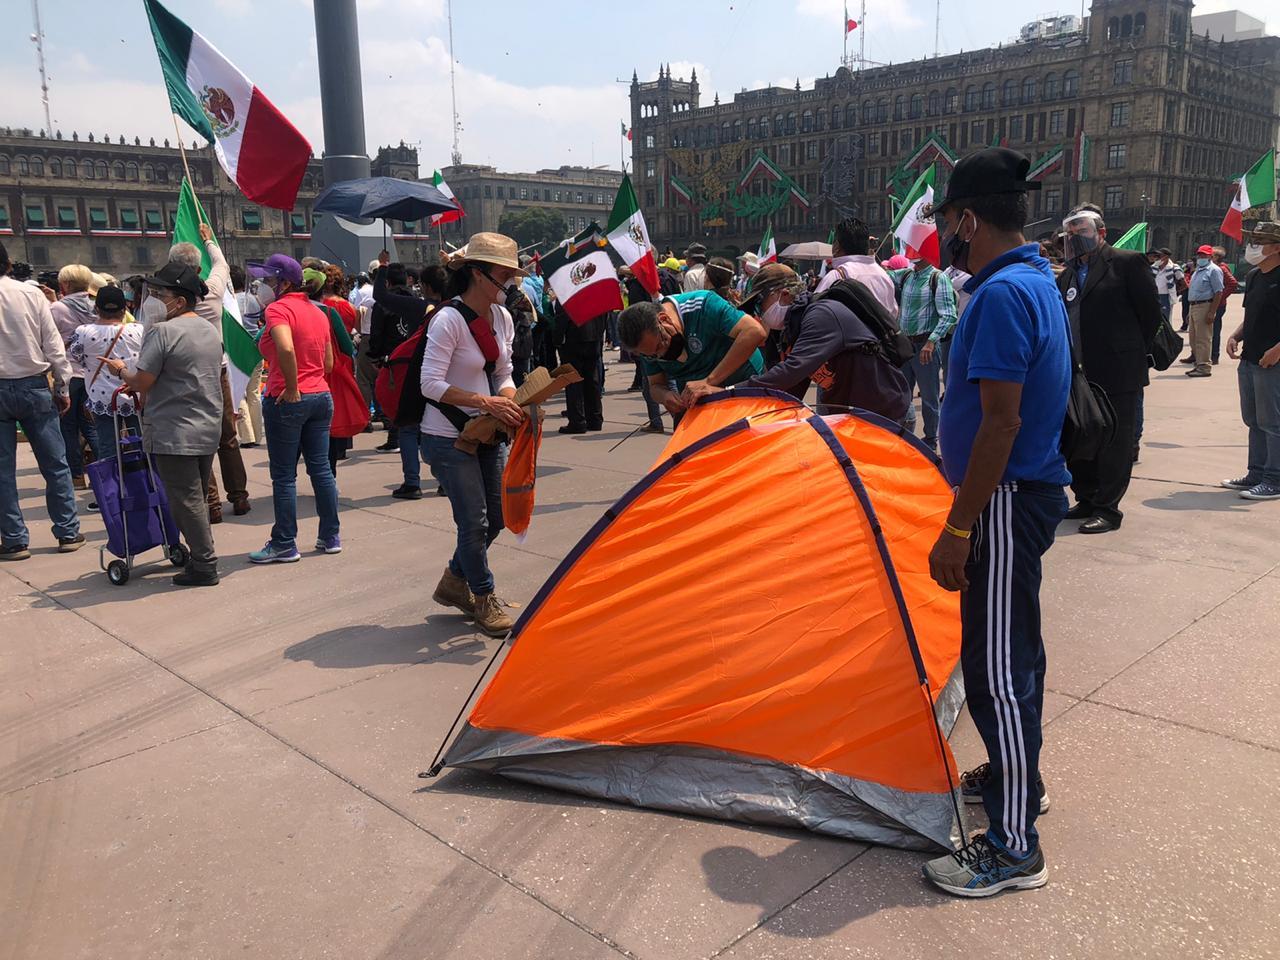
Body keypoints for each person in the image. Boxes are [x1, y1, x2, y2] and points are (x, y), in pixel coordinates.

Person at [920, 147, 1070, 898]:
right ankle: (1019, 780)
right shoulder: (1031, 279)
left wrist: (959, 526)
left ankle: (1014, 847)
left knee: (998, 672)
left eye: (947, 218)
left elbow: (1000, 423)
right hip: (1014, 495)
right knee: (1013, 654)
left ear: (969, 220)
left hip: (1005, 499)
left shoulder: (1005, 293)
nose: (943, 232)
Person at [419, 233, 526, 638]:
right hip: (446, 436)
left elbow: (504, 373)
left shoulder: (503, 318)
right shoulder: (448, 320)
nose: (511, 282)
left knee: (497, 518)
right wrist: (486, 403)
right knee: (474, 523)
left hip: (487, 434)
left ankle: (453, 580)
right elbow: (429, 384)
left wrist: (511, 402)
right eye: (505, 274)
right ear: (479, 274)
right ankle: (483, 597)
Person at [104, 263, 222, 586]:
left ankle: (205, 563)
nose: (153, 299)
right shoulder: (209, 329)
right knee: (195, 497)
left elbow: (141, 380)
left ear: (179, 301)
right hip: (206, 425)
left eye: (160, 293)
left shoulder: (163, 332)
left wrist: (119, 370)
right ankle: (202, 554)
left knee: (186, 501)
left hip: (175, 430)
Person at [1057, 208, 1161, 532]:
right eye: (1070, 233)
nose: (1076, 238)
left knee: (1116, 441)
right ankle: (1086, 497)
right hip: (1078, 371)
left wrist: (1127, 350)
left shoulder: (1127, 263)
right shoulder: (1069, 273)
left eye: (1082, 231)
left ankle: (1108, 508)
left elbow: (1150, 316)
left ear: (1101, 233)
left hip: (1117, 370)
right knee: (1082, 435)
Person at [703, 262, 909, 420]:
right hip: (851, 413)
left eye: (759, 305)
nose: (759, 314)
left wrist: (729, 391)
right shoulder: (794, 327)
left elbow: (791, 371)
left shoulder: (821, 315)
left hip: (882, 412)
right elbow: (791, 387)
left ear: (784, 294)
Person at [246, 254, 340, 563]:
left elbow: (285, 347)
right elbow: (328, 363)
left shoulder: (278, 309)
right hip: (320, 395)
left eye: (268, 280)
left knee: (285, 476)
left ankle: (284, 542)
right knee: (321, 469)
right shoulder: (318, 311)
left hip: (288, 399)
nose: (263, 285)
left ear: (284, 283)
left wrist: (291, 385)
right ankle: (330, 535)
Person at [0, 242, 85, 561]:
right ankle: (68, 532)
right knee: (55, 463)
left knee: (2, 471)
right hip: (34, 386)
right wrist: (62, 387)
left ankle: (14, 540)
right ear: (8, 264)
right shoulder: (31, 293)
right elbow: (53, 346)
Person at [166, 224, 250, 520]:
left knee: (198, 442)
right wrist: (208, 240)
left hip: (184, 376)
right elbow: (222, 264)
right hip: (217, 372)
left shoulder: (168, 302)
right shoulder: (213, 291)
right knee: (228, 436)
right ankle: (239, 496)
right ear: (198, 267)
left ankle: (211, 504)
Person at [618, 288, 768, 424]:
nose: (661, 354)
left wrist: (709, 381)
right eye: (653, 355)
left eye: (661, 344)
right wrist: (665, 396)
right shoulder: (647, 346)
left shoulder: (702, 305)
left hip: (744, 389)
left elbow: (754, 332)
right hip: (700, 405)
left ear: (664, 319)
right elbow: (655, 385)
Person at [1223, 222, 1280, 501]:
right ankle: (1256, 473)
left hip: (1272, 361)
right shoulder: (1255, 275)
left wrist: (1277, 350)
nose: (1252, 247)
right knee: (1253, 420)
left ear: (1277, 247)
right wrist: (1236, 335)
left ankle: (1274, 479)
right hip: (1250, 358)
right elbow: (1251, 315)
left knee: (1272, 422)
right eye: (1252, 241)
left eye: (1259, 242)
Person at [67, 285, 146, 458]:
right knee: (140, 443)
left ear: (96, 309)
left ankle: (111, 476)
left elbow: (77, 357)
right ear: (124, 309)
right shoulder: (139, 330)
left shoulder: (83, 332)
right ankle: (143, 474)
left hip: (102, 397)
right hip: (135, 394)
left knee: (108, 446)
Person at [891, 257, 958, 451]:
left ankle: (930, 440)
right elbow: (884, 275)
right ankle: (904, 437)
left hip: (925, 347)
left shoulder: (938, 278)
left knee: (929, 398)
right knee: (902, 394)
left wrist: (931, 342)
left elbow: (949, 315)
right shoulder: (907, 275)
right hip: (905, 345)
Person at [370, 260, 434, 453]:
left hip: (393, 357)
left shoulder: (389, 303)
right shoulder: (418, 301)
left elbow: (376, 331)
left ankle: (394, 438)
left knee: (394, 399)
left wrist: (375, 355)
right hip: (416, 356)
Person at [48, 264, 103, 490]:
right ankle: (104, 473)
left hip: (68, 374)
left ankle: (77, 476)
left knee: (68, 428)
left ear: (66, 284)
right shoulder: (96, 306)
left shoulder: (57, 308)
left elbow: (50, 341)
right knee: (91, 425)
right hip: (92, 374)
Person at [815, 217, 898, 317]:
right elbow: (893, 313)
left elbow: (814, 313)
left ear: (837, 246)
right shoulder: (884, 276)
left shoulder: (837, 276)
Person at [556, 295, 607, 434]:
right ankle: (595, 419)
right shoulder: (596, 291)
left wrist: (558, 339)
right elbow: (604, 314)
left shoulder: (567, 291)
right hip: (593, 338)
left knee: (574, 381)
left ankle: (577, 421)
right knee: (592, 379)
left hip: (574, 338)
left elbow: (562, 317)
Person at [231, 264, 265, 448]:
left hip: (238, 348)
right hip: (256, 346)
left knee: (239, 392)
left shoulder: (229, 301)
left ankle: (247, 435)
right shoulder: (254, 298)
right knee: (254, 392)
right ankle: (258, 435)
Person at [1182, 243, 1224, 377]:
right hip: (1194, 306)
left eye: (1204, 255)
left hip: (1205, 306)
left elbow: (1218, 292)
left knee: (1203, 339)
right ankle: (1198, 363)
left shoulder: (1214, 270)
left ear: (1210, 256)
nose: (1201, 257)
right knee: (1193, 339)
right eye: (1199, 255)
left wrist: (1212, 312)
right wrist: (1190, 312)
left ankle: (1204, 367)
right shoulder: (1197, 270)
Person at [1211, 246, 1238, 365]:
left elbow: (1232, 283)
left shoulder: (1221, 268)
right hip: (1209, 303)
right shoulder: (1212, 267)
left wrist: (1219, 298)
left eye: (1210, 255)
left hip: (1217, 305)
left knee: (1214, 330)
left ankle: (1214, 355)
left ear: (1217, 257)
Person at [1148, 247, 1184, 324]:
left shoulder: (1174, 268)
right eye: (1157, 256)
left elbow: (1183, 283)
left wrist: (1177, 292)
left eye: (1159, 256)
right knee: (1153, 318)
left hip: (1166, 297)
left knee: (1165, 319)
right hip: (1154, 296)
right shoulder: (1153, 267)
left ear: (1166, 257)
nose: (1157, 258)